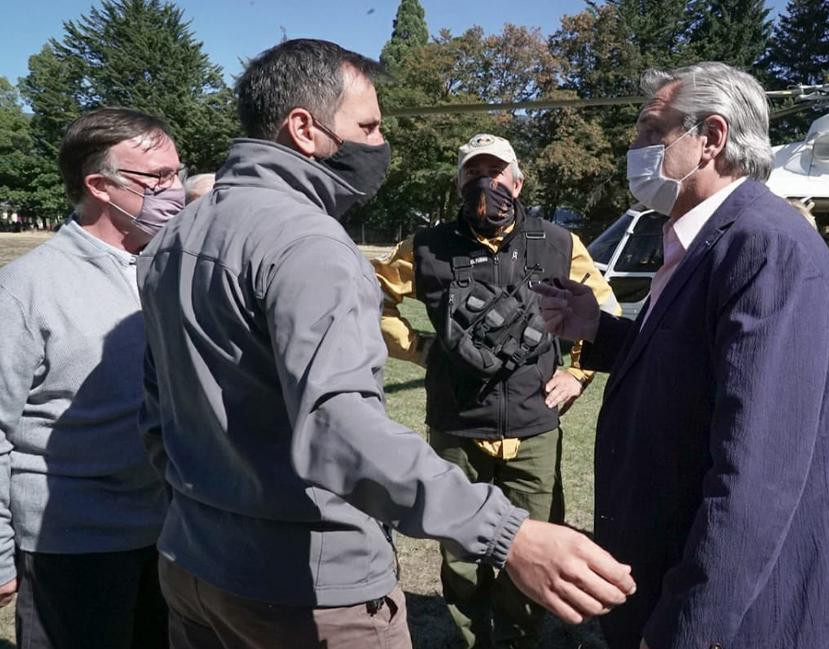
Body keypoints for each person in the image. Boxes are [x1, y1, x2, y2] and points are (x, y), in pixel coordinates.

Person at [136, 38, 634, 649]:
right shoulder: (311, 245)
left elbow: (156, 410)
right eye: (368, 126)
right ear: (305, 129)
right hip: (306, 585)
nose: (379, 144)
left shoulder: (175, 235)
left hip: (193, 562)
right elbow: (339, 430)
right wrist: (507, 533)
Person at [534, 61, 829, 649]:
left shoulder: (767, 247)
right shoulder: (704, 237)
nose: (635, 147)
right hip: (666, 561)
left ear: (711, 138)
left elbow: (758, 471)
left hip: (734, 610)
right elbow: (696, 367)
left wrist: (690, 624)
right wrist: (596, 327)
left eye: (652, 129)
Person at [373, 133, 620, 649]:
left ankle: (518, 640)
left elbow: (603, 313)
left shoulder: (558, 243)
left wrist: (577, 373)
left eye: (497, 171)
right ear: (460, 181)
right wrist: (418, 348)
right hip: (457, 425)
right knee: (461, 555)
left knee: (531, 550)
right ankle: (468, 640)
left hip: (533, 426)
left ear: (518, 179)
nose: (486, 183)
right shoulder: (425, 247)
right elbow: (369, 300)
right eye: (473, 172)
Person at [0, 107, 185, 648]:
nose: (174, 189)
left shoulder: (177, 271)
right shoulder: (27, 287)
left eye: (178, 172)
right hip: (70, 546)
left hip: (173, 537)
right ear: (100, 186)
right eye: (158, 179)